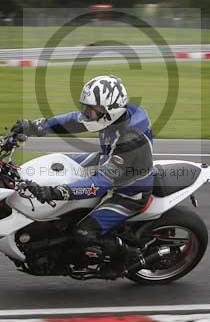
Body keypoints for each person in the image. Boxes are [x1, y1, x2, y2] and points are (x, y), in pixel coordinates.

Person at [11, 75, 154, 275]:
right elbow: (72, 121)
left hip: (127, 191)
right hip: (107, 162)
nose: (86, 114)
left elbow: (101, 183)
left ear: (110, 110)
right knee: (59, 164)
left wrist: (58, 192)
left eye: (91, 110)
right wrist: (34, 127)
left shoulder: (130, 140)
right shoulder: (111, 117)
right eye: (85, 107)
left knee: (83, 233)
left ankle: (126, 259)